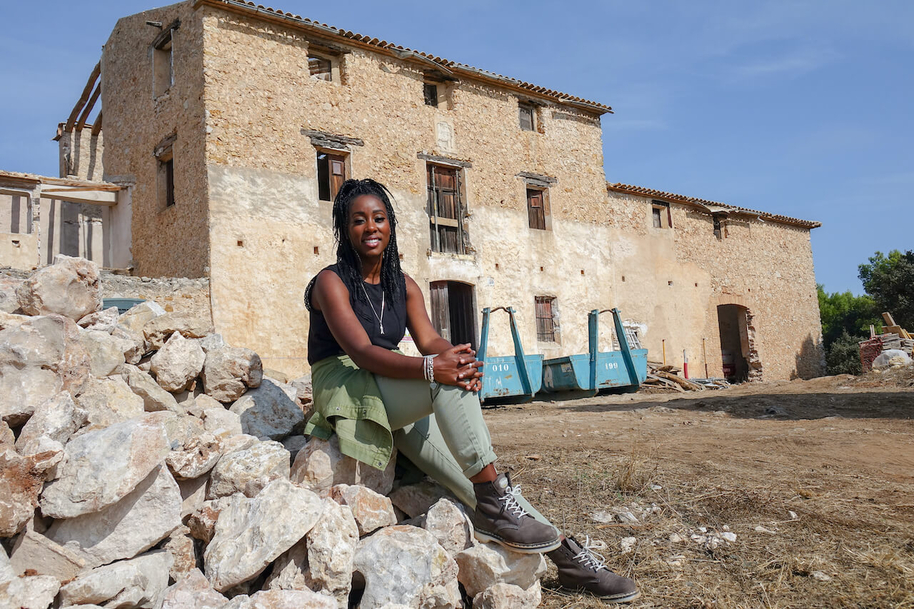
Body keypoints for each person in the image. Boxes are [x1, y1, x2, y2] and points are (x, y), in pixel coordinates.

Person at [304, 178, 639, 603]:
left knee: (475, 482)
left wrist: (460, 359)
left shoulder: (403, 285)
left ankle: (569, 559)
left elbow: (431, 342)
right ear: (344, 229)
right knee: (447, 388)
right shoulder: (330, 282)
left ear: (391, 226)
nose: (370, 227)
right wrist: (434, 367)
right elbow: (363, 352)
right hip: (348, 385)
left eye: (379, 218)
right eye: (358, 220)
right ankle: (499, 502)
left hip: (392, 388)